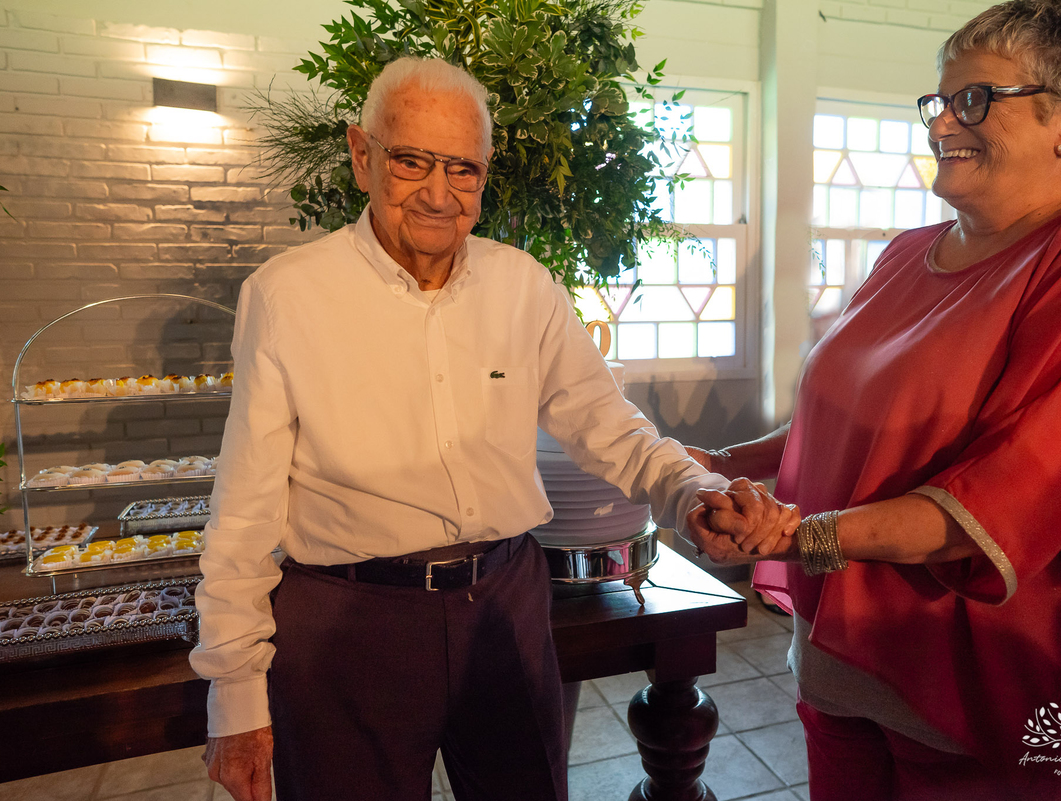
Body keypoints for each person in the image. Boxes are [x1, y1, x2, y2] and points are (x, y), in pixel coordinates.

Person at [190, 57, 772, 801]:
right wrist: (234, 690)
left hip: (505, 604)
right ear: (362, 155)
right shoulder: (287, 295)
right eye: (411, 161)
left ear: (484, 173)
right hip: (348, 623)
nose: (439, 193)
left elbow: (608, 426)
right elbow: (243, 510)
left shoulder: (523, 285)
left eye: (462, 168)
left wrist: (690, 489)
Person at [685, 1, 1061, 798]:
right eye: (939, 101)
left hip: (978, 688)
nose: (941, 122)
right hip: (838, 661)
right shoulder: (906, 253)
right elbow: (837, 418)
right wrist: (716, 461)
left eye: (974, 99)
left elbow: (1018, 486)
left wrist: (799, 535)